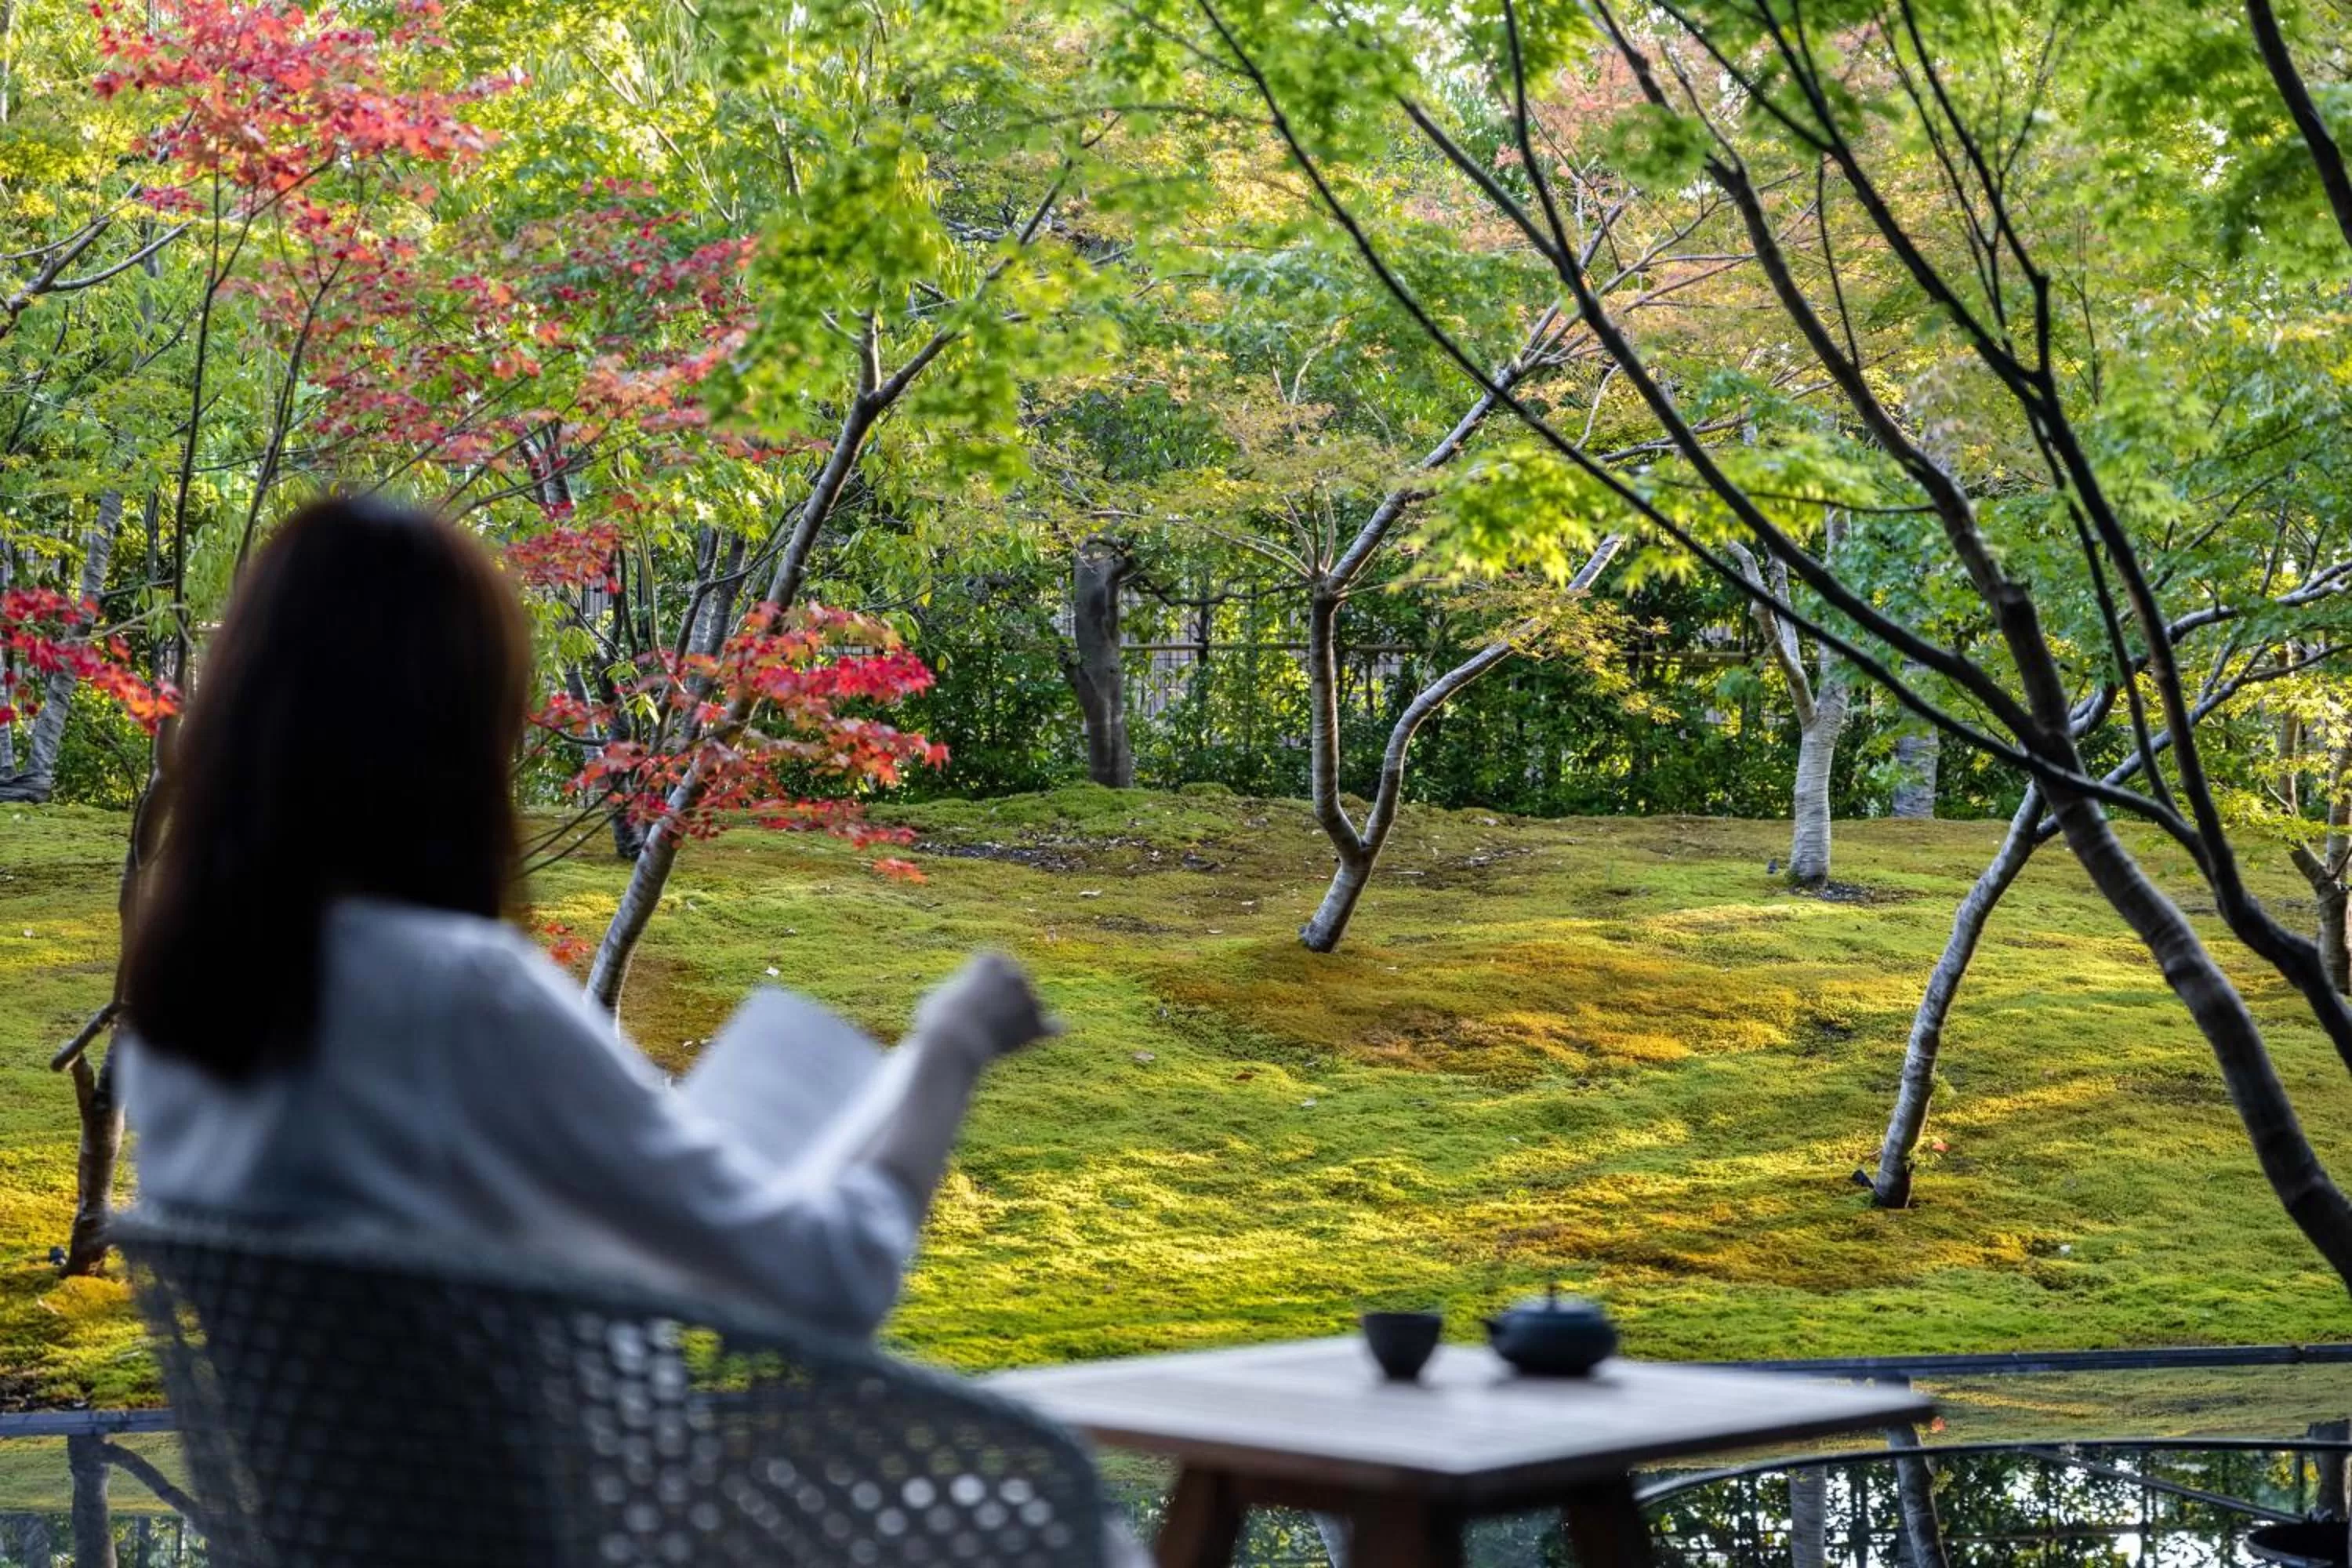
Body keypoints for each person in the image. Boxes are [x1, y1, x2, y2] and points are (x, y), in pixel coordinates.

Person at [118, 494, 1060, 1339]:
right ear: (464, 728)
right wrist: (947, 1046)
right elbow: (829, 1278)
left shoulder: (176, 1017)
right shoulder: (460, 994)